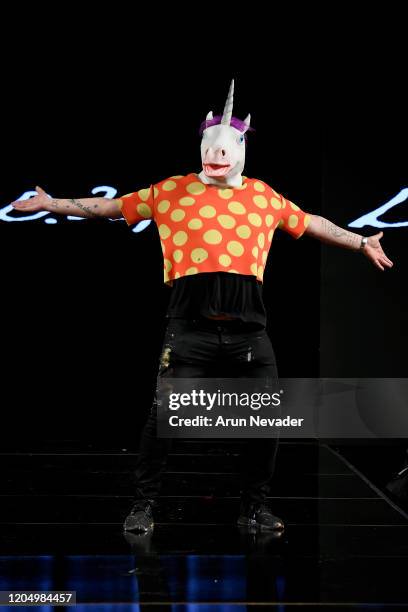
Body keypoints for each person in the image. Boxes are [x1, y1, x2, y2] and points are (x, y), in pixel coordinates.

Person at [12, 80, 393, 533]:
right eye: (209, 148)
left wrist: (360, 240)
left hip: (249, 333)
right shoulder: (171, 191)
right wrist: (51, 202)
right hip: (188, 330)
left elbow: (311, 223)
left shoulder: (263, 196)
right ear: (201, 149)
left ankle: (254, 508)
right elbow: (108, 207)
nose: (216, 156)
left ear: (242, 149)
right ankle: (143, 506)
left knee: (264, 420)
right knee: (163, 418)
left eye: (225, 148)